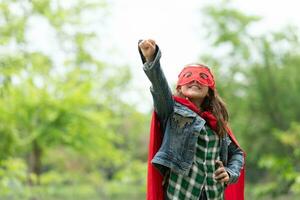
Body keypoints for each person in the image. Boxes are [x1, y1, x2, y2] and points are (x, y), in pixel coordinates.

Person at [138, 39, 245, 200]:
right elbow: (159, 87)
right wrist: (152, 59)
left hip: (213, 195)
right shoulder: (171, 110)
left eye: (202, 77)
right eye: (189, 76)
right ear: (180, 87)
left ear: (209, 90)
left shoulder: (216, 121)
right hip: (180, 194)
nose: (195, 80)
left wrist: (230, 172)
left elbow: (237, 153)